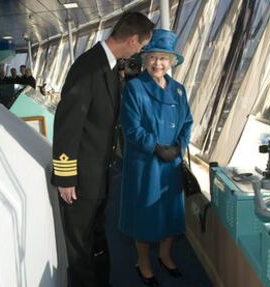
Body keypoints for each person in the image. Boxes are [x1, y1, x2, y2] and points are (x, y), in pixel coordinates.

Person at [51, 12, 155, 287]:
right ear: (133, 40)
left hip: (97, 175)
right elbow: (67, 125)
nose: (141, 51)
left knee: (95, 236)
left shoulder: (109, 67)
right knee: (80, 248)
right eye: (143, 46)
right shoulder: (88, 68)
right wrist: (65, 178)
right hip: (81, 180)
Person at [118, 29, 193, 286]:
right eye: (153, 58)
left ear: (171, 62)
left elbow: (188, 123)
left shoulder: (180, 91)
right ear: (144, 59)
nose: (158, 63)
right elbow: (131, 127)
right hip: (146, 164)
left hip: (170, 164)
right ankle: (144, 262)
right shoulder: (135, 88)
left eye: (164, 58)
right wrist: (156, 147)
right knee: (145, 216)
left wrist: (178, 147)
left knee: (171, 213)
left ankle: (164, 255)